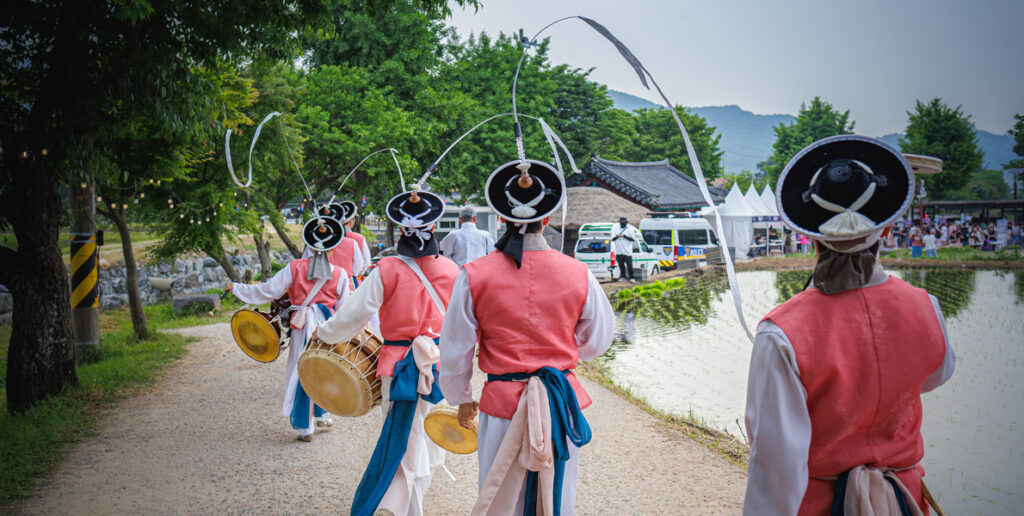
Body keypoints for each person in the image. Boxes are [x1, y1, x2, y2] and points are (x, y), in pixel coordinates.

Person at [744, 135, 955, 515]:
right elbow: (934, 376)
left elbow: (774, 461)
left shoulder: (781, 331)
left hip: (824, 505)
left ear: (809, 236)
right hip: (904, 500)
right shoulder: (927, 307)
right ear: (886, 229)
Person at [439, 160, 614, 514]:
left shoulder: (475, 275)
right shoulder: (579, 273)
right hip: (557, 401)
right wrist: (560, 348)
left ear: (501, 219)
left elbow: (457, 346)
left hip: (502, 402)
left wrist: (461, 396)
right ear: (546, 219)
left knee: (501, 496)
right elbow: (597, 340)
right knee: (558, 494)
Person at [314, 188, 458, 516]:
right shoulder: (452, 271)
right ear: (434, 227)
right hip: (437, 365)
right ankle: (412, 503)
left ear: (401, 229)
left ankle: (406, 507)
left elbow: (354, 314)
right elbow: (460, 326)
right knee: (424, 435)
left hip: (397, 366)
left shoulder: (387, 269)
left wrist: (322, 333)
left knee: (401, 439)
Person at [227, 216, 351, 442]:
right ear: (334, 246)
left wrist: (236, 288)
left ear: (309, 244)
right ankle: (322, 415)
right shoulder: (341, 274)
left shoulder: (294, 268)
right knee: (325, 369)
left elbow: (267, 291)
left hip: (302, 327)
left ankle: (306, 427)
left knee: (301, 370)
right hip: (328, 327)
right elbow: (346, 309)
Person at [611, 216, 641, 282]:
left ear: (626, 222)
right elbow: (612, 239)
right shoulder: (616, 229)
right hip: (619, 251)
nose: (622, 223)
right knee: (621, 266)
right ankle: (622, 277)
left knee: (629, 265)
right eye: (621, 222)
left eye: (623, 222)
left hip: (627, 251)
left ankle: (632, 278)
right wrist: (617, 236)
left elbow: (633, 239)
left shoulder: (629, 229)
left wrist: (625, 236)